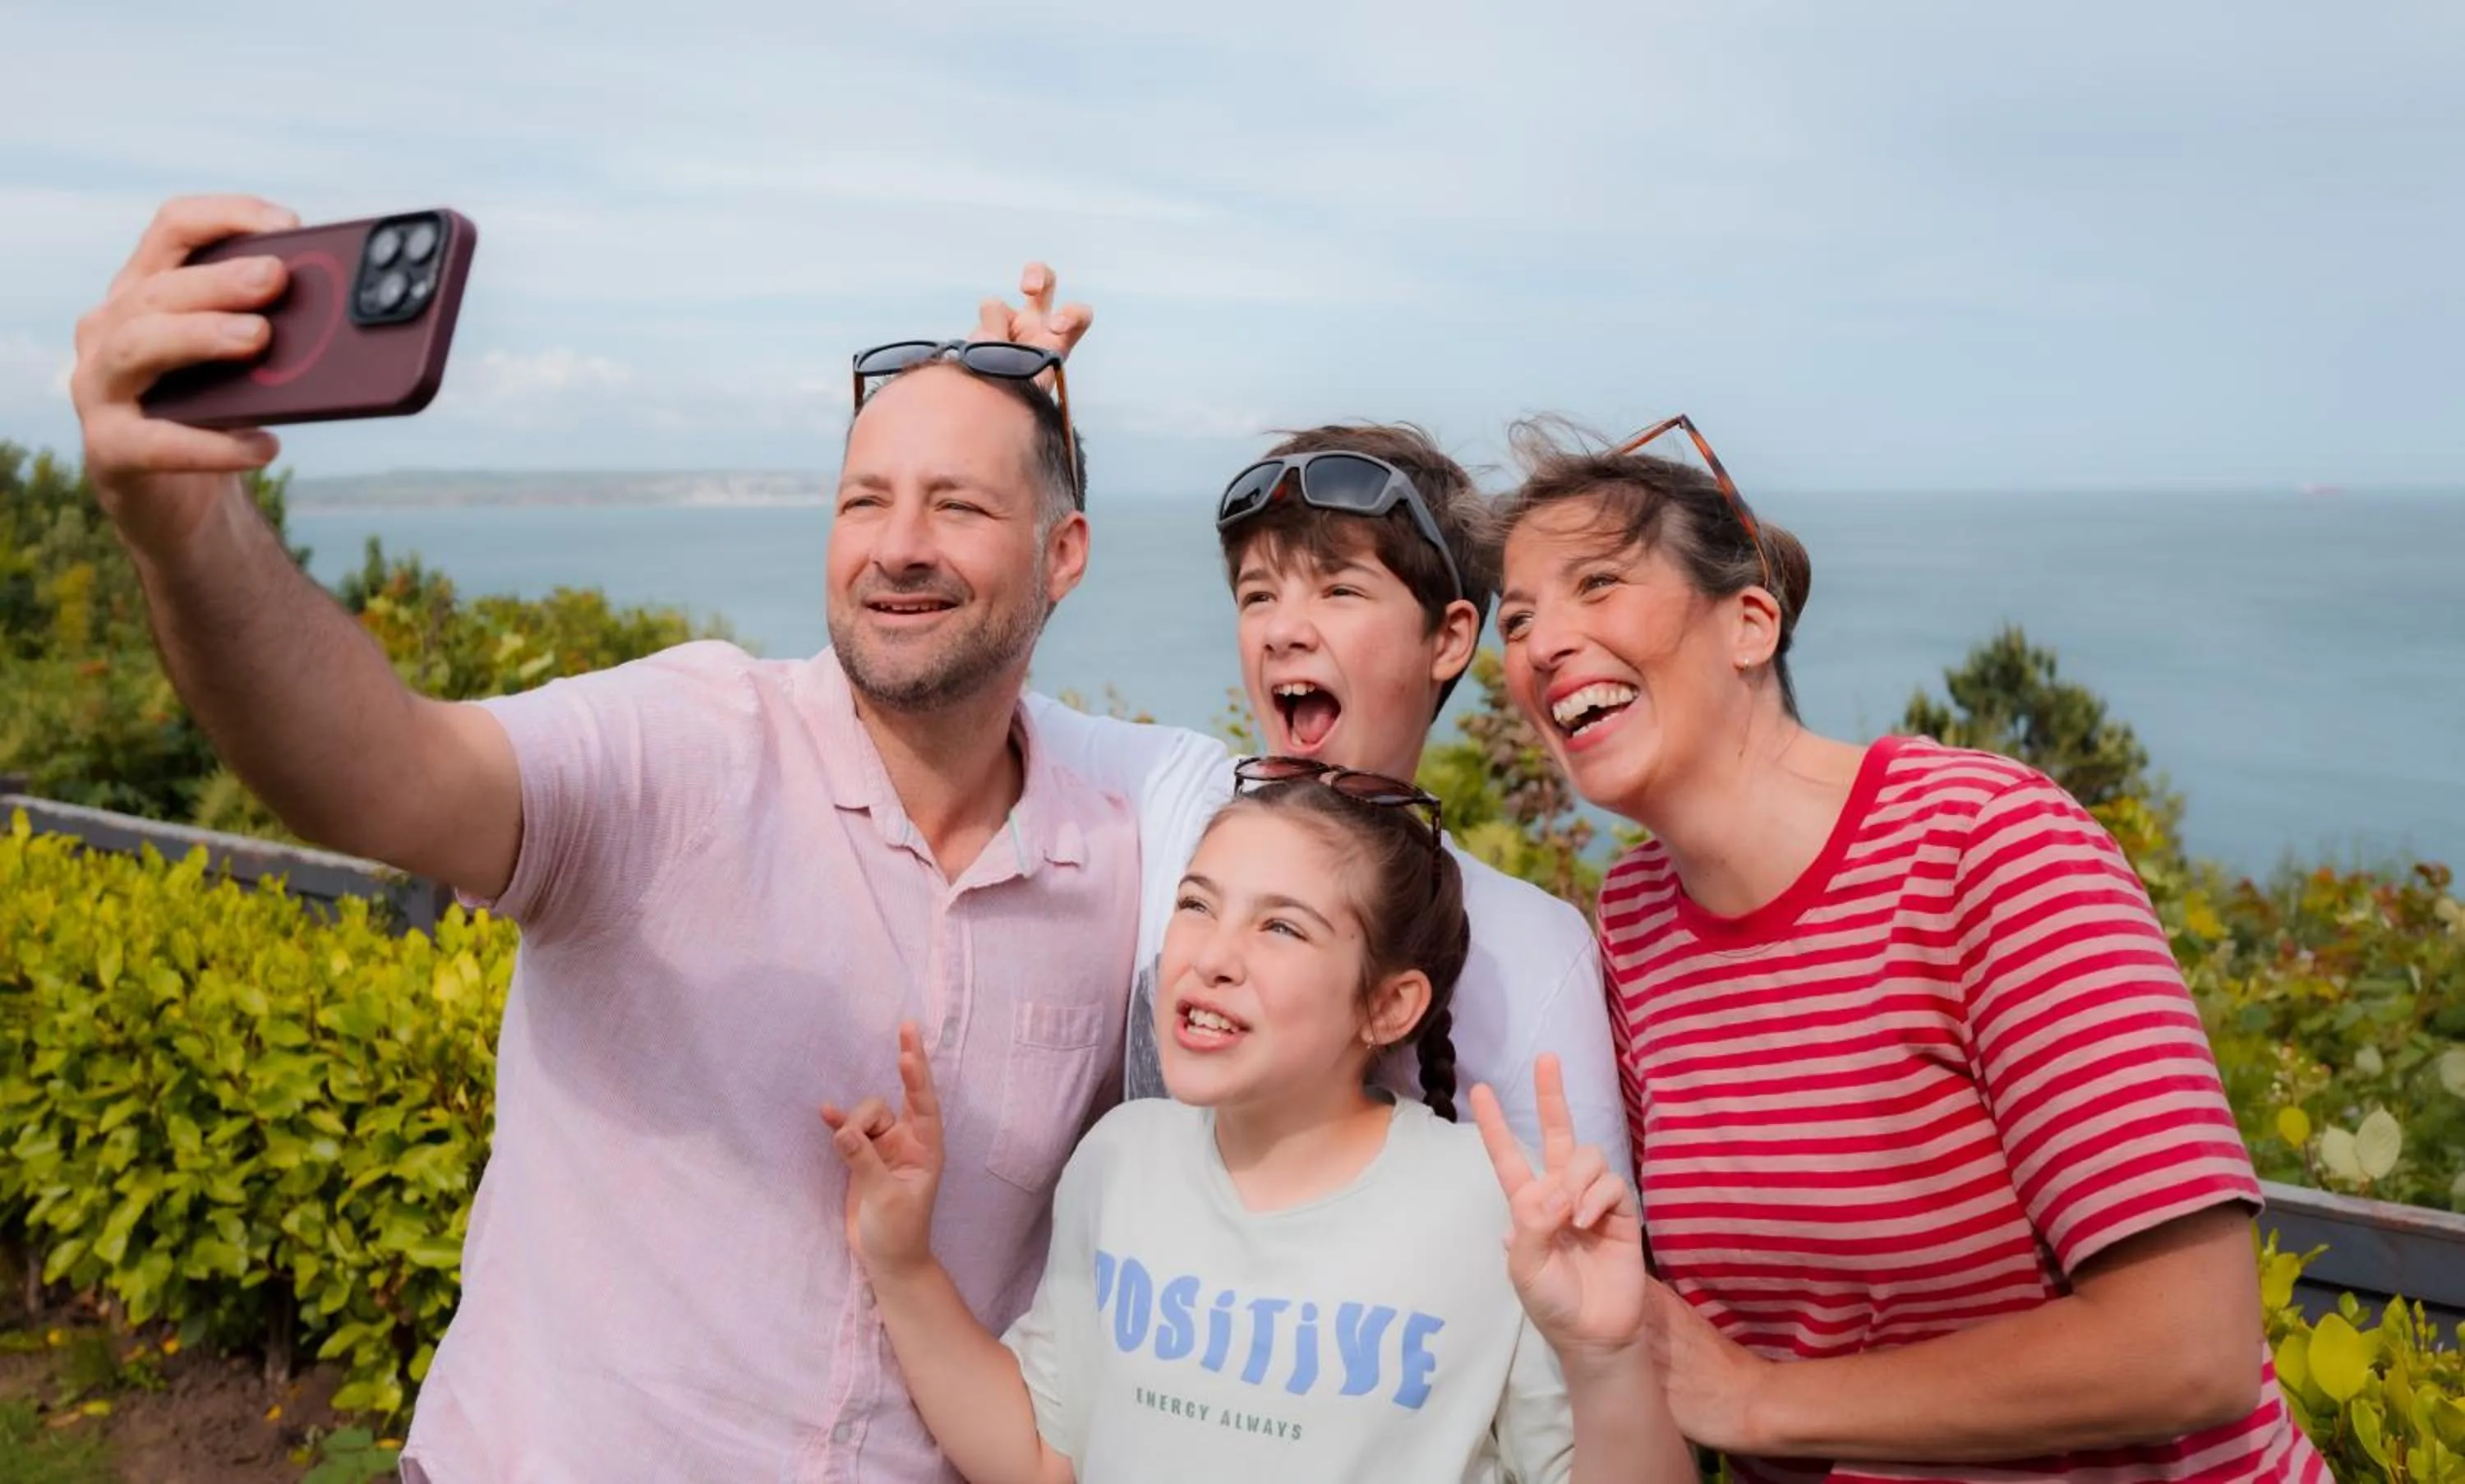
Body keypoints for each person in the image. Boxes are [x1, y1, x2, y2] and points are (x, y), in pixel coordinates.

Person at [67, 195, 1140, 1481]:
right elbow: (380, 770)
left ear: (1062, 553)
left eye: (958, 505)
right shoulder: (689, 744)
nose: (896, 548)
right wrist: (185, 532)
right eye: (865, 500)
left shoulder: (1124, 854)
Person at [1485, 415, 2329, 1481]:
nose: (1543, 641)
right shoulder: (1639, 918)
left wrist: (1761, 1398)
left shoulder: (1983, 843)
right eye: (1517, 618)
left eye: (1598, 583)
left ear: (1750, 623)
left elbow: (2188, 1346)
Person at [827, 763, 1694, 1483]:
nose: (1212, 956)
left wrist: (1607, 1357)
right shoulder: (1122, 1159)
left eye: (1281, 926)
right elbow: (1045, 1456)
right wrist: (901, 1262)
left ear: (1390, 1006)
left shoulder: (1497, 1212)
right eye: (1198, 904)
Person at [973, 267, 1629, 1167]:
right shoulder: (1170, 794)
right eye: (1257, 594)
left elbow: (1585, 1267)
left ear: (1449, 639)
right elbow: (972, 695)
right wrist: (1010, 434)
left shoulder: (1528, 951)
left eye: (1340, 589)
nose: (1282, 629)